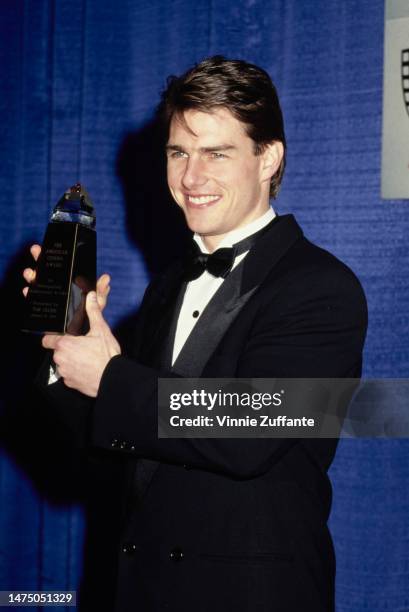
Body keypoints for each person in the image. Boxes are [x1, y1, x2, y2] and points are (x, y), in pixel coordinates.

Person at [24, 56, 367, 612]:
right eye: (178, 152)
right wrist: (67, 340)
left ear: (268, 158)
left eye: (216, 153)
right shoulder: (167, 287)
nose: (190, 178)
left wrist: (112, 378)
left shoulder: (321, 286)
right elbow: (122, 447)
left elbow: (250, 424)